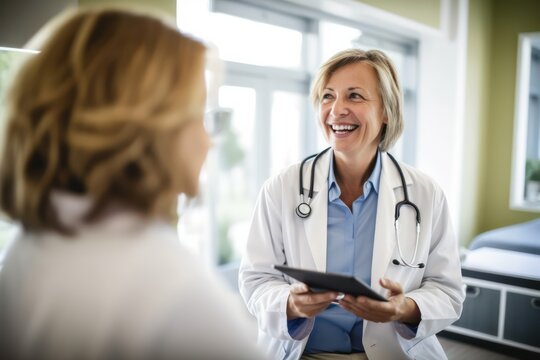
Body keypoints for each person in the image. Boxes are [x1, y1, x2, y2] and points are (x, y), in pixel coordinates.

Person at [0, 7, 263, 359]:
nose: (208, 140)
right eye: (197, 114)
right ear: (147, 128)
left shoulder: (31, 244)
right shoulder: (173, 291)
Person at [238, 49, 465, 360]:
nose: (336, 110)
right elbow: (255, 279)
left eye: (355, 96)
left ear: (387, 110)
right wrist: (290, 303)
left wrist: (405, 308)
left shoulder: (425, 194)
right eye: (328, 96)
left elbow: (447, 290)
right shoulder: (281, 188)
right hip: (305, 352)